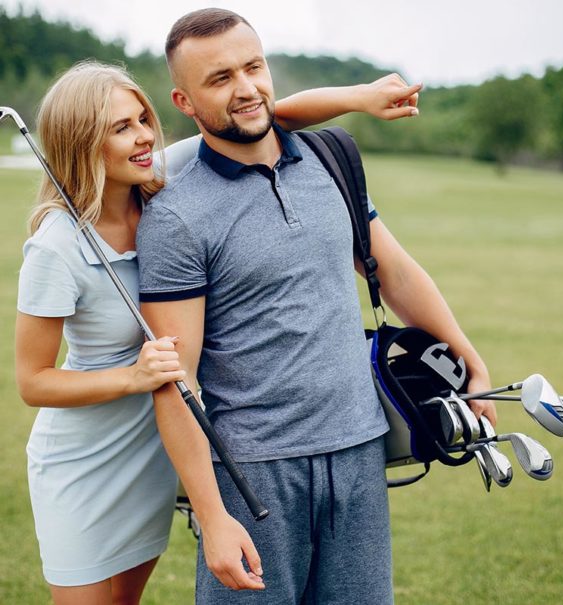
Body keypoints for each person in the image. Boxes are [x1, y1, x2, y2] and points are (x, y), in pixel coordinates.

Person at [14, 60, 424, 605]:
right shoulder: (55, 246)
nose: (142, 136)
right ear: (81, 141)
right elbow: (33, 383)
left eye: (143, 118)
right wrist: (132, 377)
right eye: (120, 127)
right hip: (84, 459)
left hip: (155, 446)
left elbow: (274, 116)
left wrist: (362, 96)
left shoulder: (158, 181)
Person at [136, 7, 497, 605]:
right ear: (185, 100)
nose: (247, 89)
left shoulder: (331, 162)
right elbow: (177, 381)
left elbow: (400, 275)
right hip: (252, 474)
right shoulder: (175, 215)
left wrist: (471, 363)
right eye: (220, 79)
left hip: (360, 450)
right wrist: (214, 514)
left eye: (253, 67)